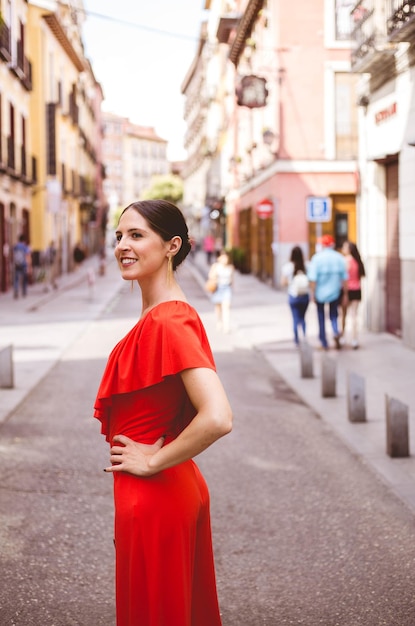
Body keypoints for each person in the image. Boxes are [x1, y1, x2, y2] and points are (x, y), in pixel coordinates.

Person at [93, 199, 233, 626]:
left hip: (157, 493)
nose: (123, 245)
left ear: (172, 246)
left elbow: (218, 416)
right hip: (156, 492)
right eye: (119, 236)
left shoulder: (170, 321)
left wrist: (152, 460)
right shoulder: (158, 314)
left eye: (137, 235)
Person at [307, 234, 348, 350]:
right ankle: (335, 331)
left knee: (321, 317)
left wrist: (312, 294)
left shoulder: (317, 258)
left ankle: (324, 341)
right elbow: (344, 278)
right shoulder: (339, 258)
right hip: (335, 291)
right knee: (334, 315)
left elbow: (313, 279)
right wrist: (345, 294)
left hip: (320, 293)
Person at [281, 245, 310, 346]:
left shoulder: (288, 267)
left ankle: (297, 339)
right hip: (305, 295)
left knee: (295, 318)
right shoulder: (307, 265)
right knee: (303, 317)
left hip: (293, 295)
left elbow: (283, 282)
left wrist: (291, 283)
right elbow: (310, 281)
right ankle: (304, 336)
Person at [340, 240, 366, 349]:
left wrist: (345, 294)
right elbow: (361, 276)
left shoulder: (346, 261)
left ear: (349, 249)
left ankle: (343, 336)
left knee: (344, 315)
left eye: (345, 247)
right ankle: (355, 339)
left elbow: (344, 279)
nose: (343, 249)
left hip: (347, 290)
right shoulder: (358, 261)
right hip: (357, 290)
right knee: (354, 315)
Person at [208, 249, 234, 333]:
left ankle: (226, 326)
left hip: (227, 288)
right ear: (219, 258)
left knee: (226, 306)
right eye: (223, 258)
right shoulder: (216, 266)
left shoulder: (230, 267)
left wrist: (232, 288)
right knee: (218, 307)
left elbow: (232, 279)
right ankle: (219, 321)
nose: (225, 259)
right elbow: (210, 276)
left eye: (226, 258)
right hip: (218, 288)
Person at [12, 234, 31, 299]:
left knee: (16, 278)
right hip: (23, 264)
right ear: (24, 240)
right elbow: (27, 256)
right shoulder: (24, 247)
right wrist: (29, 266)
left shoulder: (15, 246)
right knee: (24, 278)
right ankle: (24, 291)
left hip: (17, 264)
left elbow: (13, 254)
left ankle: (16, 290)